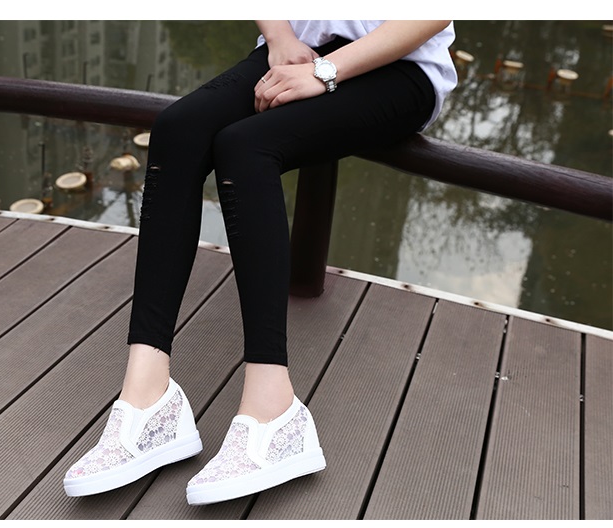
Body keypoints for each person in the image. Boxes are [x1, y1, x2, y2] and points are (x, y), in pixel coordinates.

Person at [62, 20, 458, 505]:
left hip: (397, 63)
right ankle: (148, 396)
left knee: (246, 146)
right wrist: (280, 38)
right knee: (177, 129)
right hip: (293, 48)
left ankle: (274, 408)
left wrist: (325, 72)